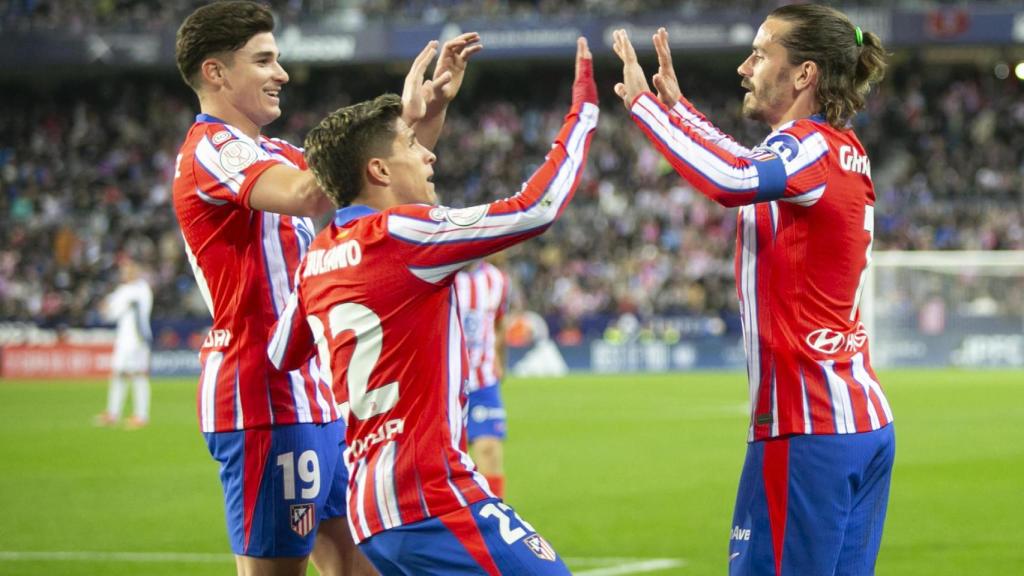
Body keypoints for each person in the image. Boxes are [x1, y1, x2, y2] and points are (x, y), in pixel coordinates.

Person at [267, 37, 598, 575]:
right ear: (377, 169)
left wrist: (427, 113)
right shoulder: (404, 234)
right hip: (429, 498)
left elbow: (283, 353)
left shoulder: (317, 258)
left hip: (370, 511)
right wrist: (583, 109)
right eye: (411, 145)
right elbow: (535, 207)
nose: (429, 153)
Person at [172, 2, 480, 574]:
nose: (281, 73)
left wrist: (417, 123)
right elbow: (312, 193)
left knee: (359, 566)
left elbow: (374, 178)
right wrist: (400, 120)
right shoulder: (211, 152)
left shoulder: (277, 153)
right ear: (216, 73)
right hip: (263, 396)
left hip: (319, 396)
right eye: (264, 60)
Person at [611, 5, 895, 575]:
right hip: (857, 423)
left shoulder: (808, 148)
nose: (745, 67)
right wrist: (680, 110)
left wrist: (645, 108)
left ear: (804, 74)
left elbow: (733, 179)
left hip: (805, 426)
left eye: (761, 54)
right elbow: (748, 163)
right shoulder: (839, 148)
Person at [454, 256, 510, 498]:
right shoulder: (440, 275)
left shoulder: (496, 279)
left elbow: (498, 324)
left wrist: (499, 359)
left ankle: (494, 519)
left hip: (483, 382)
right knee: (448, 459)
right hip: (444, 384)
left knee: (489, 449)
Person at [94, 254, 153, 429]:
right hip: (123, 340)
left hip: (138, 339)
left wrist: (111, 307)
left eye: (129, 270)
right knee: (118, 373)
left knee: (138, 374)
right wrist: (106, 308)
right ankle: (113, 413)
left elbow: (124, 309)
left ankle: (141, 416)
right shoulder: (122, 291)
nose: (126, 273)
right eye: (124, 271)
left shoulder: (141, 289)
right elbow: (108, 313)